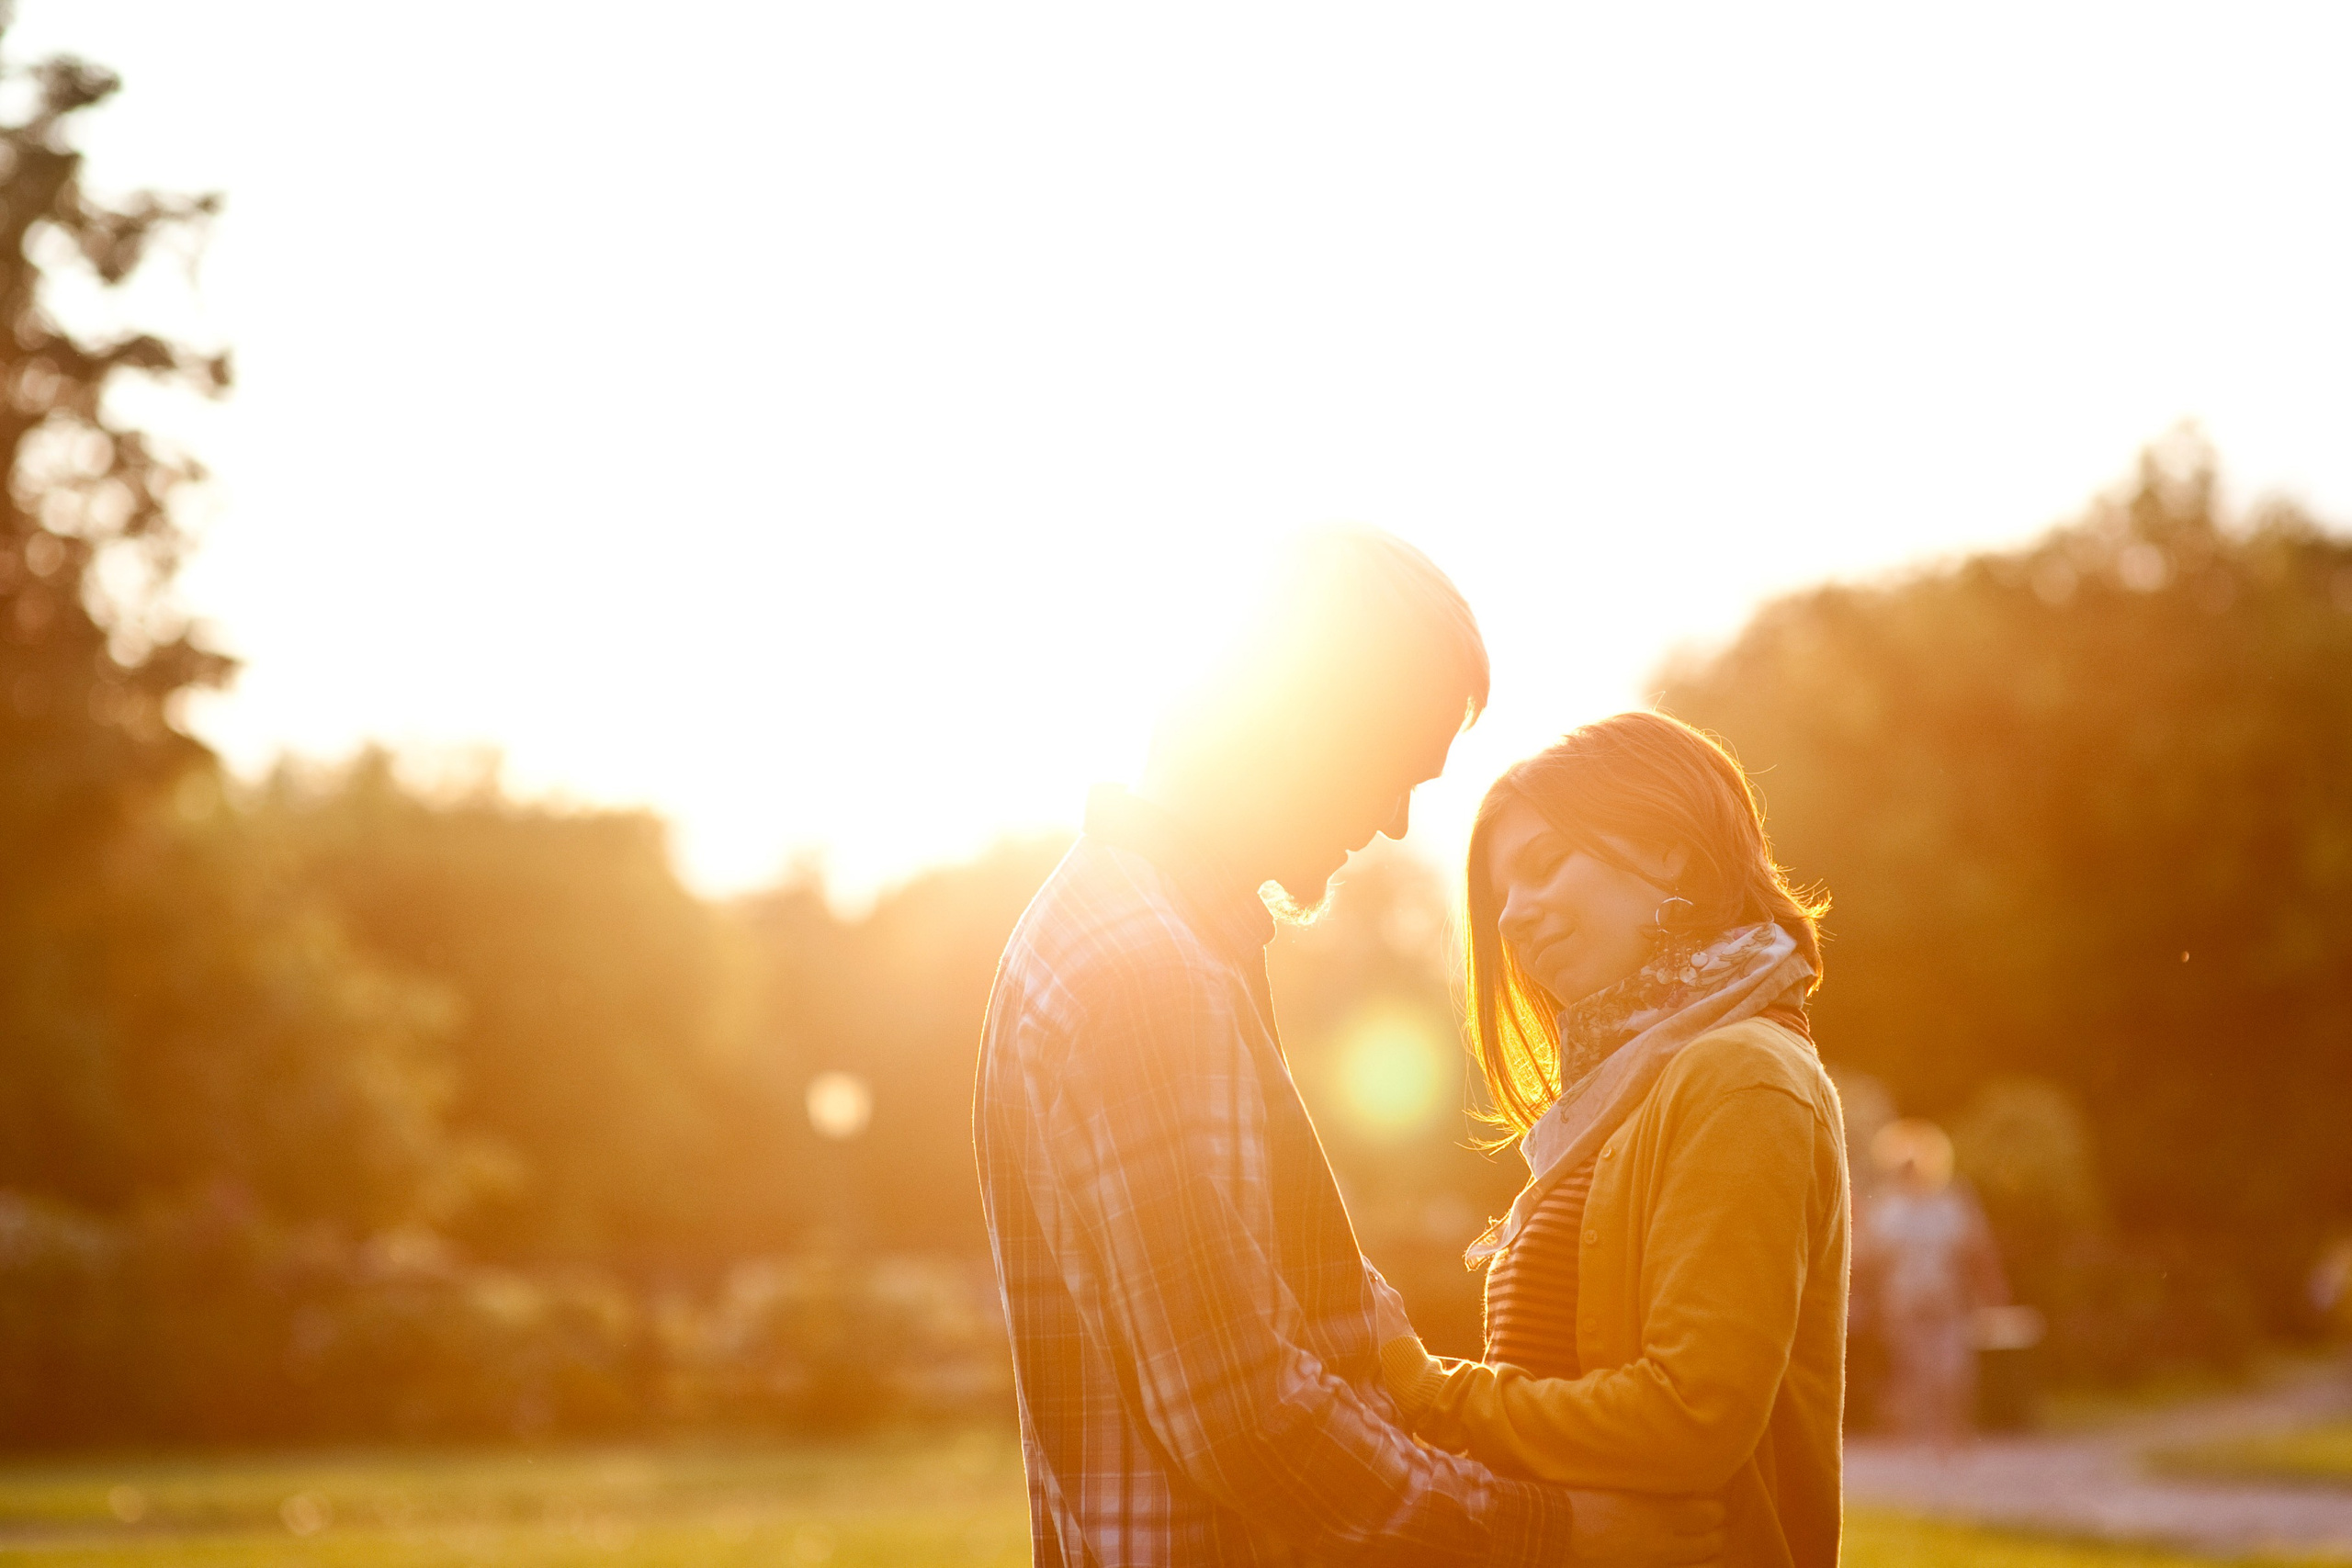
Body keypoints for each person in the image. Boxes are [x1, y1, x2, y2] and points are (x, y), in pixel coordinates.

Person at [974, 534, 1725, 1566]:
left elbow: (1294, 1323)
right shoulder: (1143, 971)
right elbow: (1246, 1417)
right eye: (1394, 770)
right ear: (1308, 722)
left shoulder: (1138, 933)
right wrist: (1552, 1532)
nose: (1395, 822)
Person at [1373, 712, 1849, 1568]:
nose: (1513, 916)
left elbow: (1691, 1419)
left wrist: (1433, 1394)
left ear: (1670, 848)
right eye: (1500, 894)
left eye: (1544, 864)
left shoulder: (1742, 1075)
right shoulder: (1625, 1096)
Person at [1852, 1118, 2007, 1443]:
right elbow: (1868, 1259)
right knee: (1911, 1371)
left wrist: (1992, 1292)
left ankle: (1951, 1434)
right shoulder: (1888, 1209)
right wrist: (1857, 1296)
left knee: (1953, 1371)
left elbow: (1977, 1251)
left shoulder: (1951, 1204)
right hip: (1903, 1304)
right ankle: (1920, 1439)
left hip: (1946, 1301)